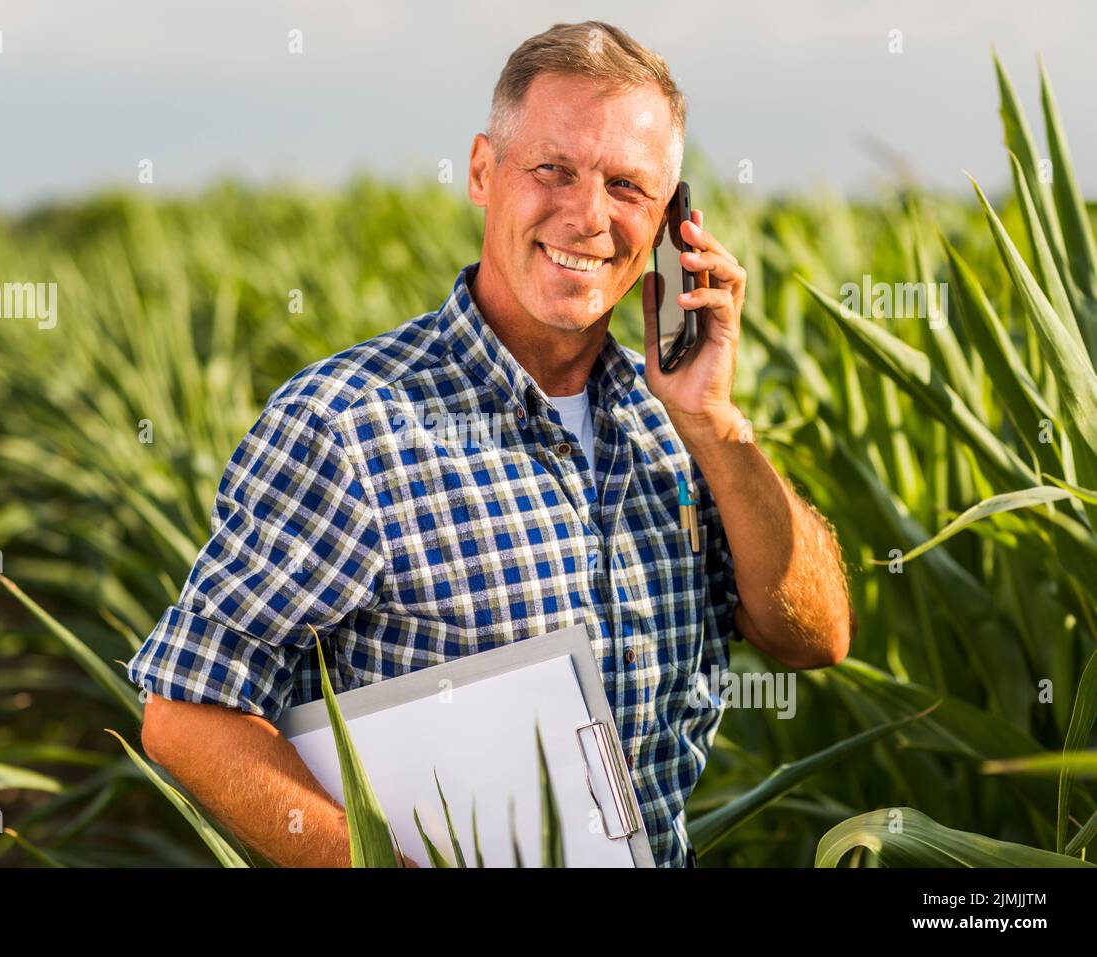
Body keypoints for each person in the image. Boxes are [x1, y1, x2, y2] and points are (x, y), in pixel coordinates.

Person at [129, 19, 852, 868]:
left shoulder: (676, 428)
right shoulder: (350, 424)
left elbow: (814, 637)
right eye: (553, 169)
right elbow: (186, 712)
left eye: (628, 186)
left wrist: (716, 424)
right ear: (482, 170)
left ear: (671, 225)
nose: (588, 216)